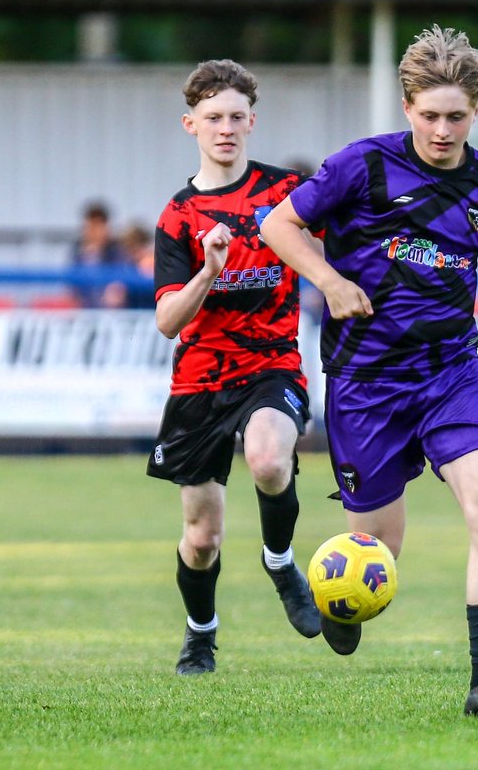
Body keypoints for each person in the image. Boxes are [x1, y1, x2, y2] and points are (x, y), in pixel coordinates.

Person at [260, 25, 478, 717]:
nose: (442, 130)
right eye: (430, 115)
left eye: (456, 117)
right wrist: (329, 281)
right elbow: (277, 226)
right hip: (366, 382)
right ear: (407, 107)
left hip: (453, 374)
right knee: (379, 546)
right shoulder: (361, 166)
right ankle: (344, 600)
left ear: (476, 111)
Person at [146, 59, 322, 676]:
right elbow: (167, 321)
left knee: (269, 459)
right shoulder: (178, 216)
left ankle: (280, 560)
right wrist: (209, 271)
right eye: (213, 117)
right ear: (190, 124)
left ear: (252, 122)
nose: (225, 128)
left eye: (236, 117)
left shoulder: (287, 193)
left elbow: (349, 235)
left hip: (273, 365)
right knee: (201, 539)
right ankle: (201, 633)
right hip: (200, 381)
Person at [70, 200, 125, 307]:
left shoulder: (117, 251)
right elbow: (72, 286)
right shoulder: (77, 251)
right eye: (91, 226)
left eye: (98, 226)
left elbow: (120, 282)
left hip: (110, 311)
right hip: (83, 308)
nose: (95, 231)